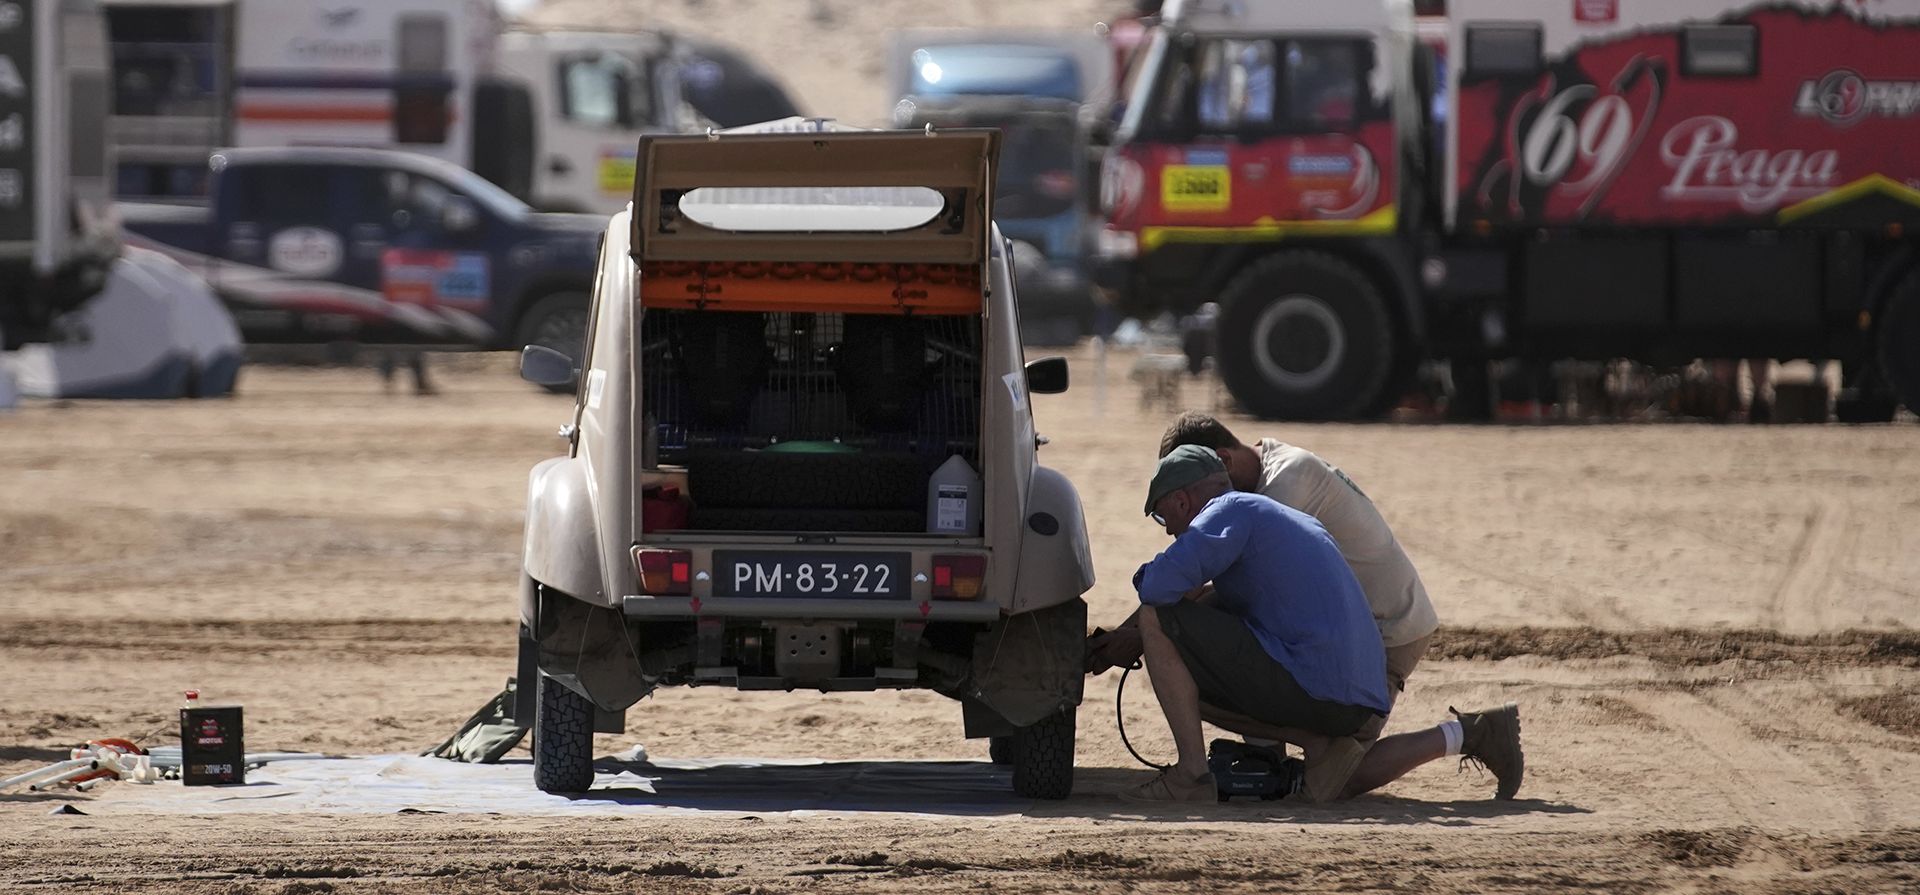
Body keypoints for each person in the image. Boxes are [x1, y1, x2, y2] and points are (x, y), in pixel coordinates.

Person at [1091, 446, 1524, 803]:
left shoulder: (1229, 510)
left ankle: (1190, 775)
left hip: (1325, 684)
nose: (1169, 533)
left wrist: (1143, 631)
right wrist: (1136, 640)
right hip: (1352, 691)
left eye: (1165, 519)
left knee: (1157, 622)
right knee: (1331, 781)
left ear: (1182, 501)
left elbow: (1159, 589)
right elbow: (1210, 603)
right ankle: (1468, 733)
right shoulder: (1271, 515)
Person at [1156, 412, 1437, 722]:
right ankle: (1265, 763)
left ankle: (1468, 734)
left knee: (1351, 767)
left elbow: (1202, 581)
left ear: (1223, 461)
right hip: (1352, 625)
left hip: (1391, 627)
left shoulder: (1284, 483)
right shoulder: (1262, 474)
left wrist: (1145, 632)